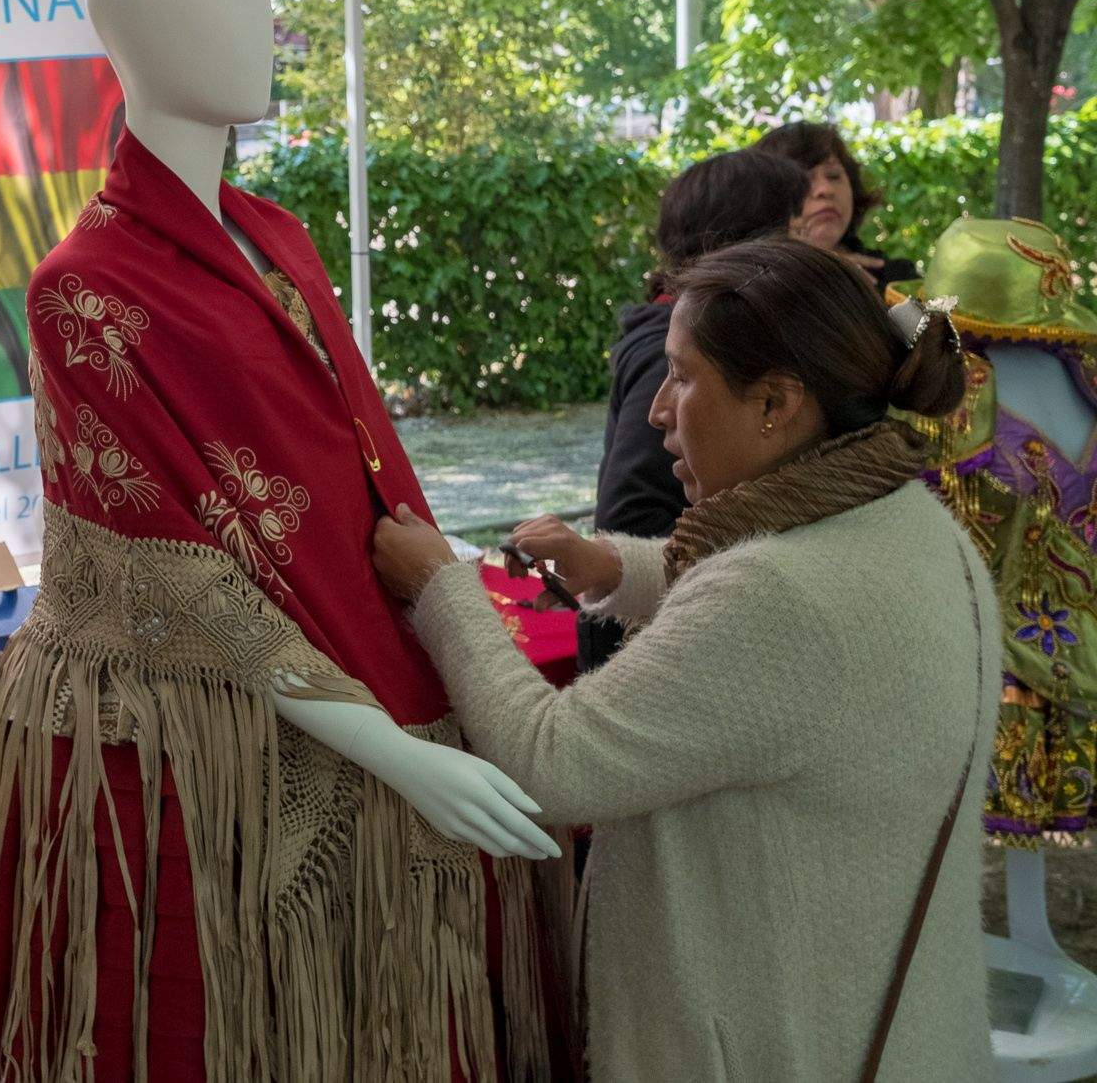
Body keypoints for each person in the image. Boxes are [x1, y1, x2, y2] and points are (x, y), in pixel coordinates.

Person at [373, 238, 996, 1081]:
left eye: (683, 375)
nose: (658, 409)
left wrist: (441, 587)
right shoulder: (909, 528)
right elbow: (771, 657)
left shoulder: (781, 597)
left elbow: (549, 760)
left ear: (776, 402)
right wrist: (608, 567)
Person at [581, 149, 808, 670]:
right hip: (653, 646)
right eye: (790, 232)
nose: (806, 248)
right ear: (749, 245)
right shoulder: (679, 340)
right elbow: (630, 515)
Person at [757, 120, 919, 291]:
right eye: (803, 180)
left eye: (834, 176)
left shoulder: (895, 280)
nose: (825, 190)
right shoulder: (746, 283)